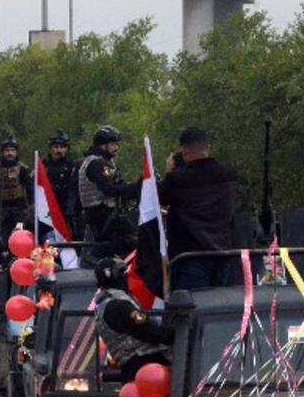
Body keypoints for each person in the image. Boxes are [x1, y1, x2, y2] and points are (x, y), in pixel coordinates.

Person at [159, 127, 237, 290]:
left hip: (189, 254)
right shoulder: (227, 174)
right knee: (219, 301)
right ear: (208, 147)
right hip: (222, 251)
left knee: (191, 302)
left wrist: (168, 172)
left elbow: (162, 198)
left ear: (183, 151)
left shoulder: (177, 178)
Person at [94, 257, 173, 382]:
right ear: (115, 276)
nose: (126, 277)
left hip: (134, 370)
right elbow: (148, 330)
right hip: (146, 368)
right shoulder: (119, 306)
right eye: (123, 273)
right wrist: (175, 333)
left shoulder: (104, 305)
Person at [78, 125, 141, 258]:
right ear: (102, 145)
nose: (116, 148)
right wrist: (135, 186)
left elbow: (121, 186)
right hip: (100, 214)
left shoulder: (107, 163)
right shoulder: (95, 163)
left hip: (108, 213)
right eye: (113, 144)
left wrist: (137, 188)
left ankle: (109, 258)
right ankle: (99, 253)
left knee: (134, 235)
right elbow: (109, 189)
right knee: (134, 238)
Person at [0, 137, 32, 234]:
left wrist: (30, 210)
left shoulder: (23, 169)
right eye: (7, 150)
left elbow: (30, 191)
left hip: (19, 209)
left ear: (16, 152)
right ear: (3, 152)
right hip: (2, 209)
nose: (10, 153)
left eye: (13, 150)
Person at [43, 130, 80, 237]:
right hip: (48, 208)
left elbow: (74, 189)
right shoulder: (44, 166)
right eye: (56, 147)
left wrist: (70, 208)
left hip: (67, 208)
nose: (59, 150)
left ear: (67, 149)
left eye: (62, 147)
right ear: (50, 148)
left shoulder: (71, 165)